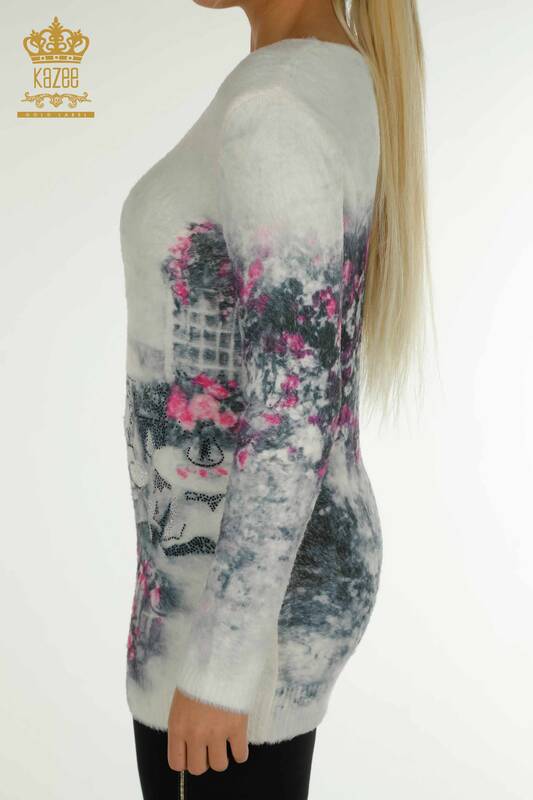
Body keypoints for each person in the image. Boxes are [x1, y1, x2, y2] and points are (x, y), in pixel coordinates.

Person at [119, 0, 430, 796]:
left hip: (237, 605)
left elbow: (294, 416)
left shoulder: (275, 107)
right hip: (237, 579)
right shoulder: (319, 77)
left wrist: (220, 672)